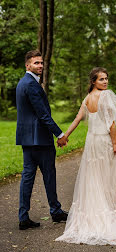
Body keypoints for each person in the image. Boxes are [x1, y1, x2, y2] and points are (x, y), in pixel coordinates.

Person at [56, 67, 116, 245]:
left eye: (106, 78)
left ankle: (102, 212)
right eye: (101, 79)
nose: (105, 82)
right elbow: (110, 123)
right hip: (103, 142)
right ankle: (113, 216)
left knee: (96, 178)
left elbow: (77, 119)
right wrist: (115, 143)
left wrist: (65, 136)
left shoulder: (87, 98)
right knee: (110, 178)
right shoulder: (105, 95)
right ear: (93, 81)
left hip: (92, 143)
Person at [16, 50, 68, 230]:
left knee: (27, 177)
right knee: (49, 175)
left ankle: (23, 217)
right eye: (36, 63)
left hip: (27, 140)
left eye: (41, 63)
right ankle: (56, 211)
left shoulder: (22, 83)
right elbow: (43, 115)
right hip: (40, 140)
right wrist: (60, 134)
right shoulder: (31, 84)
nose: (40, 66)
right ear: (27, 65)